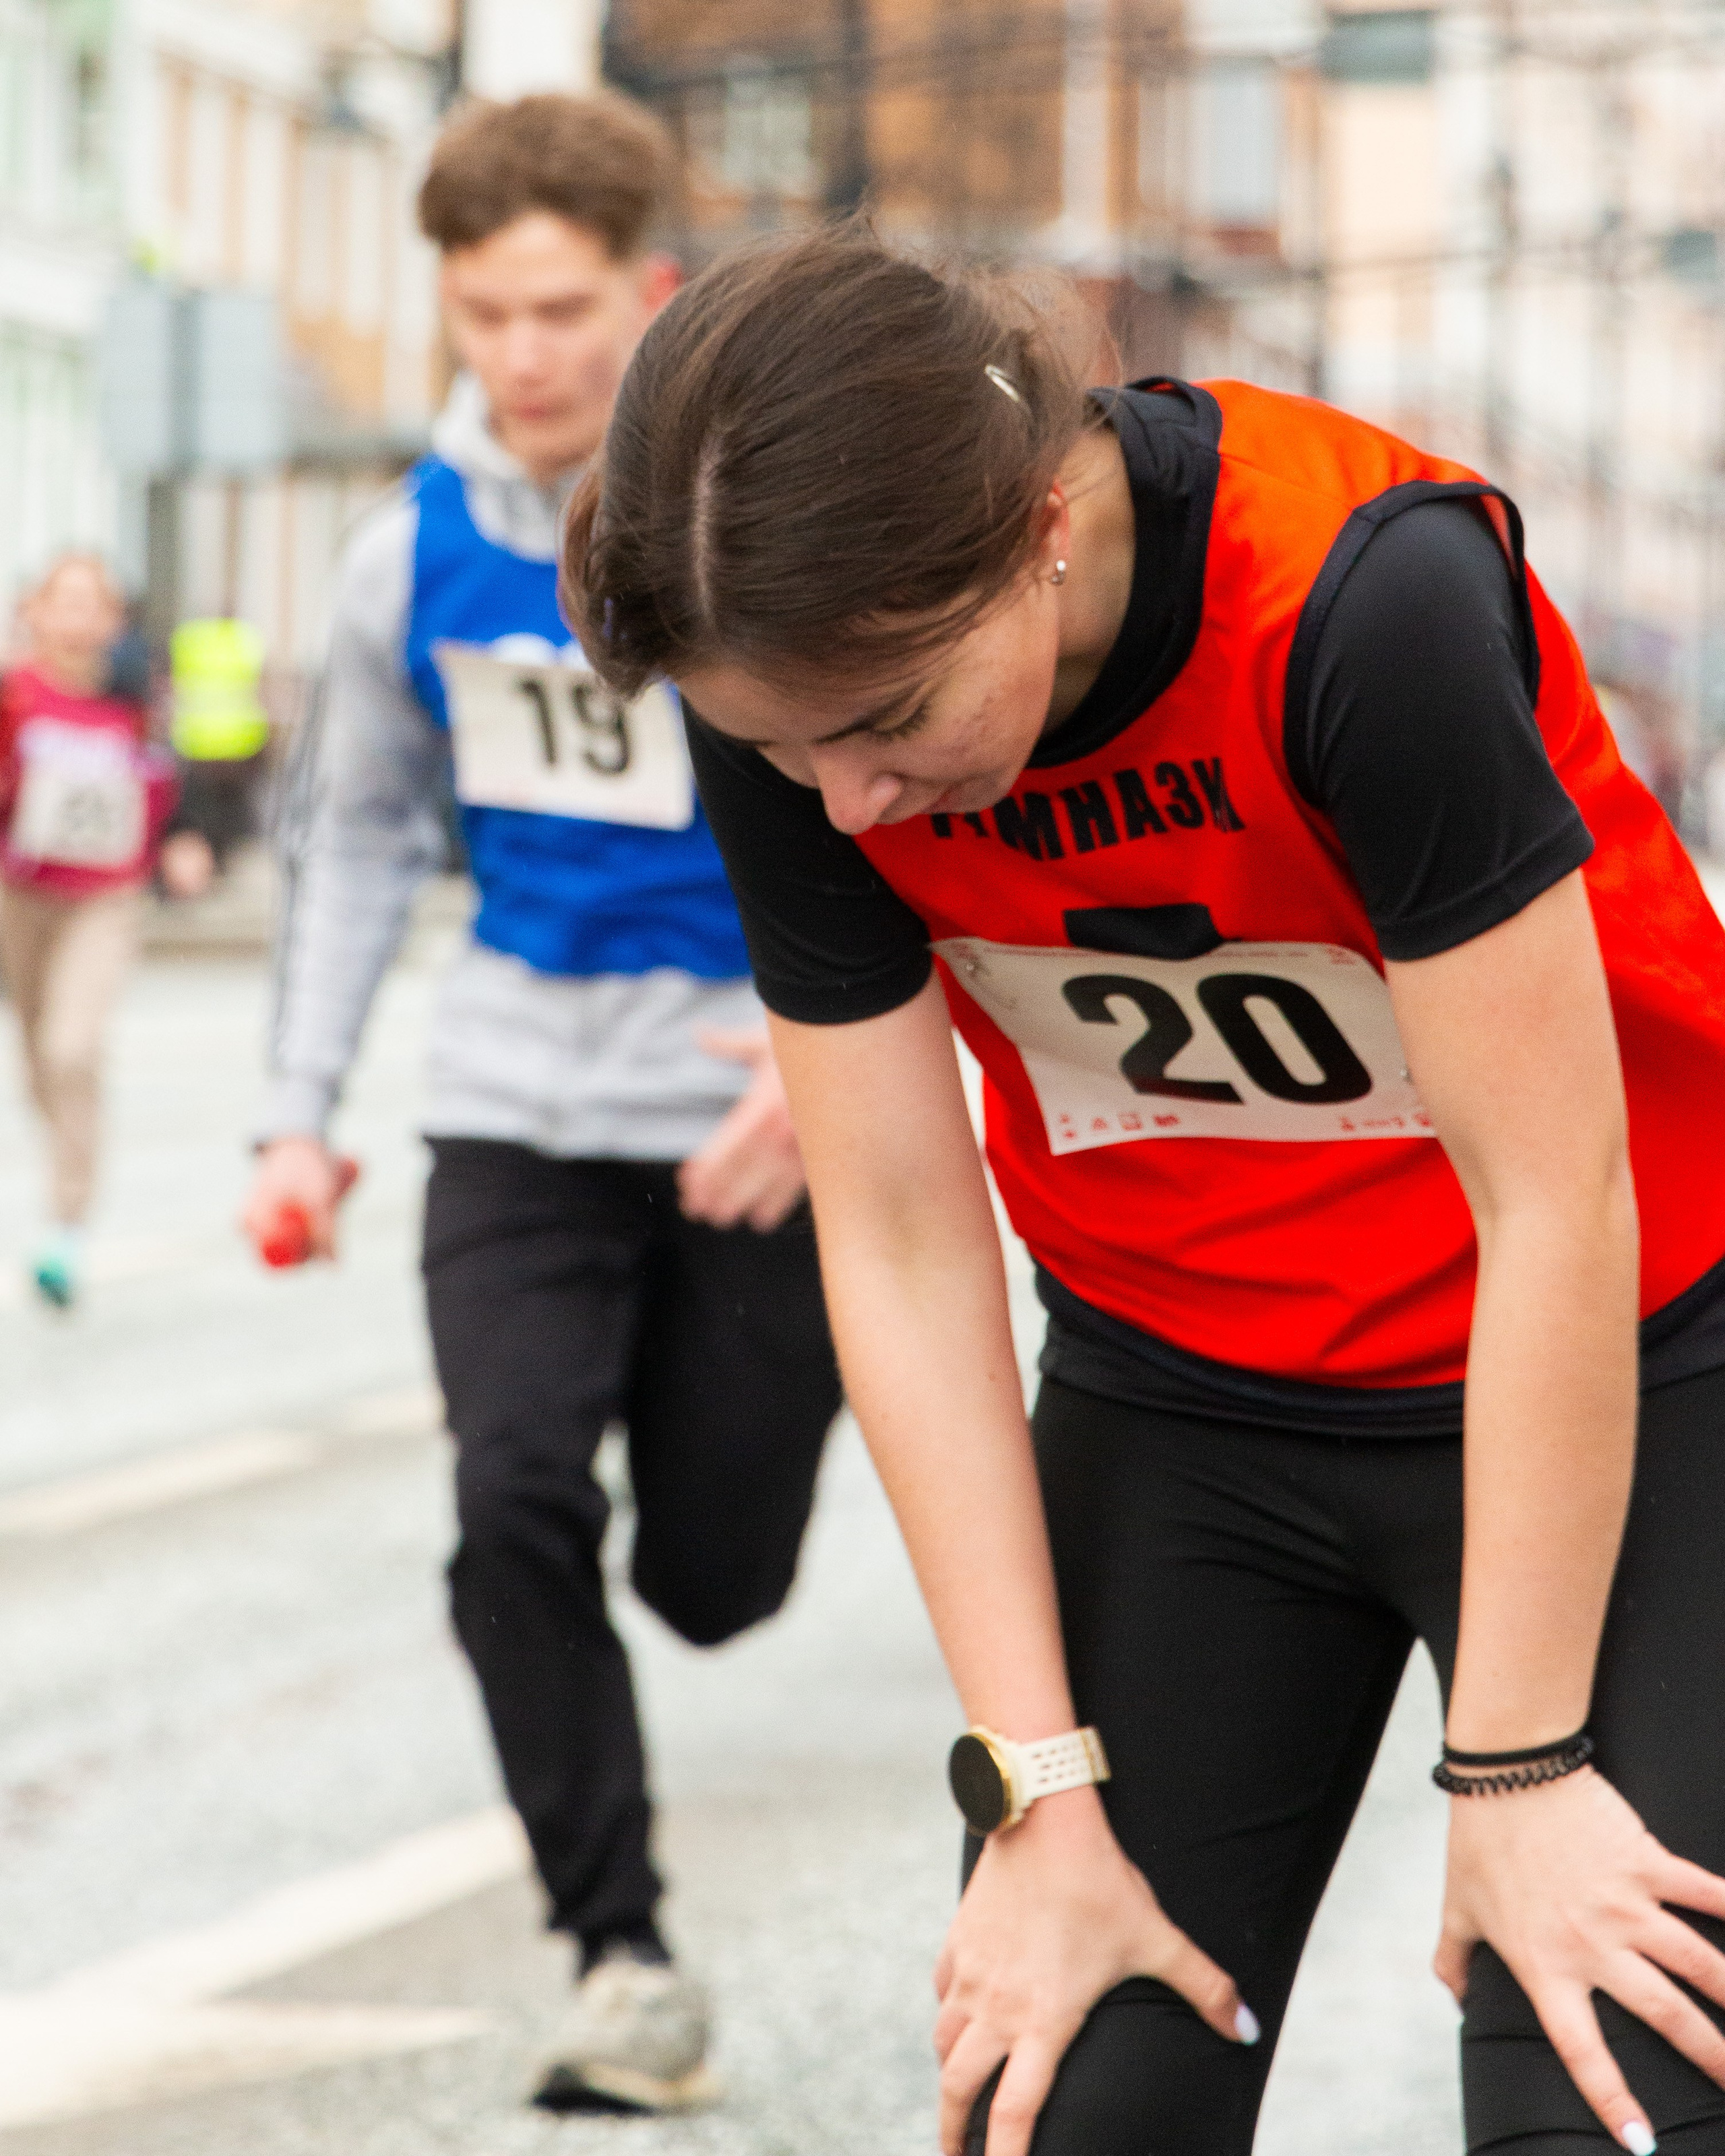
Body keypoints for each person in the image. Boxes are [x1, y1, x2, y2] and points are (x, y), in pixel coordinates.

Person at [565, 227, 1725, 2156]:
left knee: (1606, 2094)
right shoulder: (786, 673)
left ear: (1032, 529)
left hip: (1630, 1368)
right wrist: (1040, 1797)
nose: (851, 805)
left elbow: (1557, 1200)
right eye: (787, 750)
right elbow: (909, 1240)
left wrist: (1517, 1773)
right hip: (1183, 1401)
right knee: (1065, 2096)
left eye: (885, 723)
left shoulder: (1370, 601)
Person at [243, 94, 839, 2114]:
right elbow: (355, 842)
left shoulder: (756, 522)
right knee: (509, 1501)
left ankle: (720, 1556)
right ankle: (620, 1952)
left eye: (561, 305)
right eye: (483, 309)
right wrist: (298, 1112)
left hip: (758, 1110)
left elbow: (907, 804)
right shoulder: (397, 554)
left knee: (710, 1580)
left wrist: (841, 1057)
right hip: (512, 1095)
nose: (521, 351)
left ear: (644, 293)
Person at [0, 553, 180, 1308]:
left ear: (113, 622)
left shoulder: (134, 701)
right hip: (22, 894)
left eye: (92, 605)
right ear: (33, 612)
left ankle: (67, 1224)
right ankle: (63, 1166)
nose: (76, 619)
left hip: (106, 897)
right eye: (62, 602)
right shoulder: (13, 696)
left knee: (74, 1048)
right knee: (41, 1058)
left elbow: (175, 782)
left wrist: (187, 840)